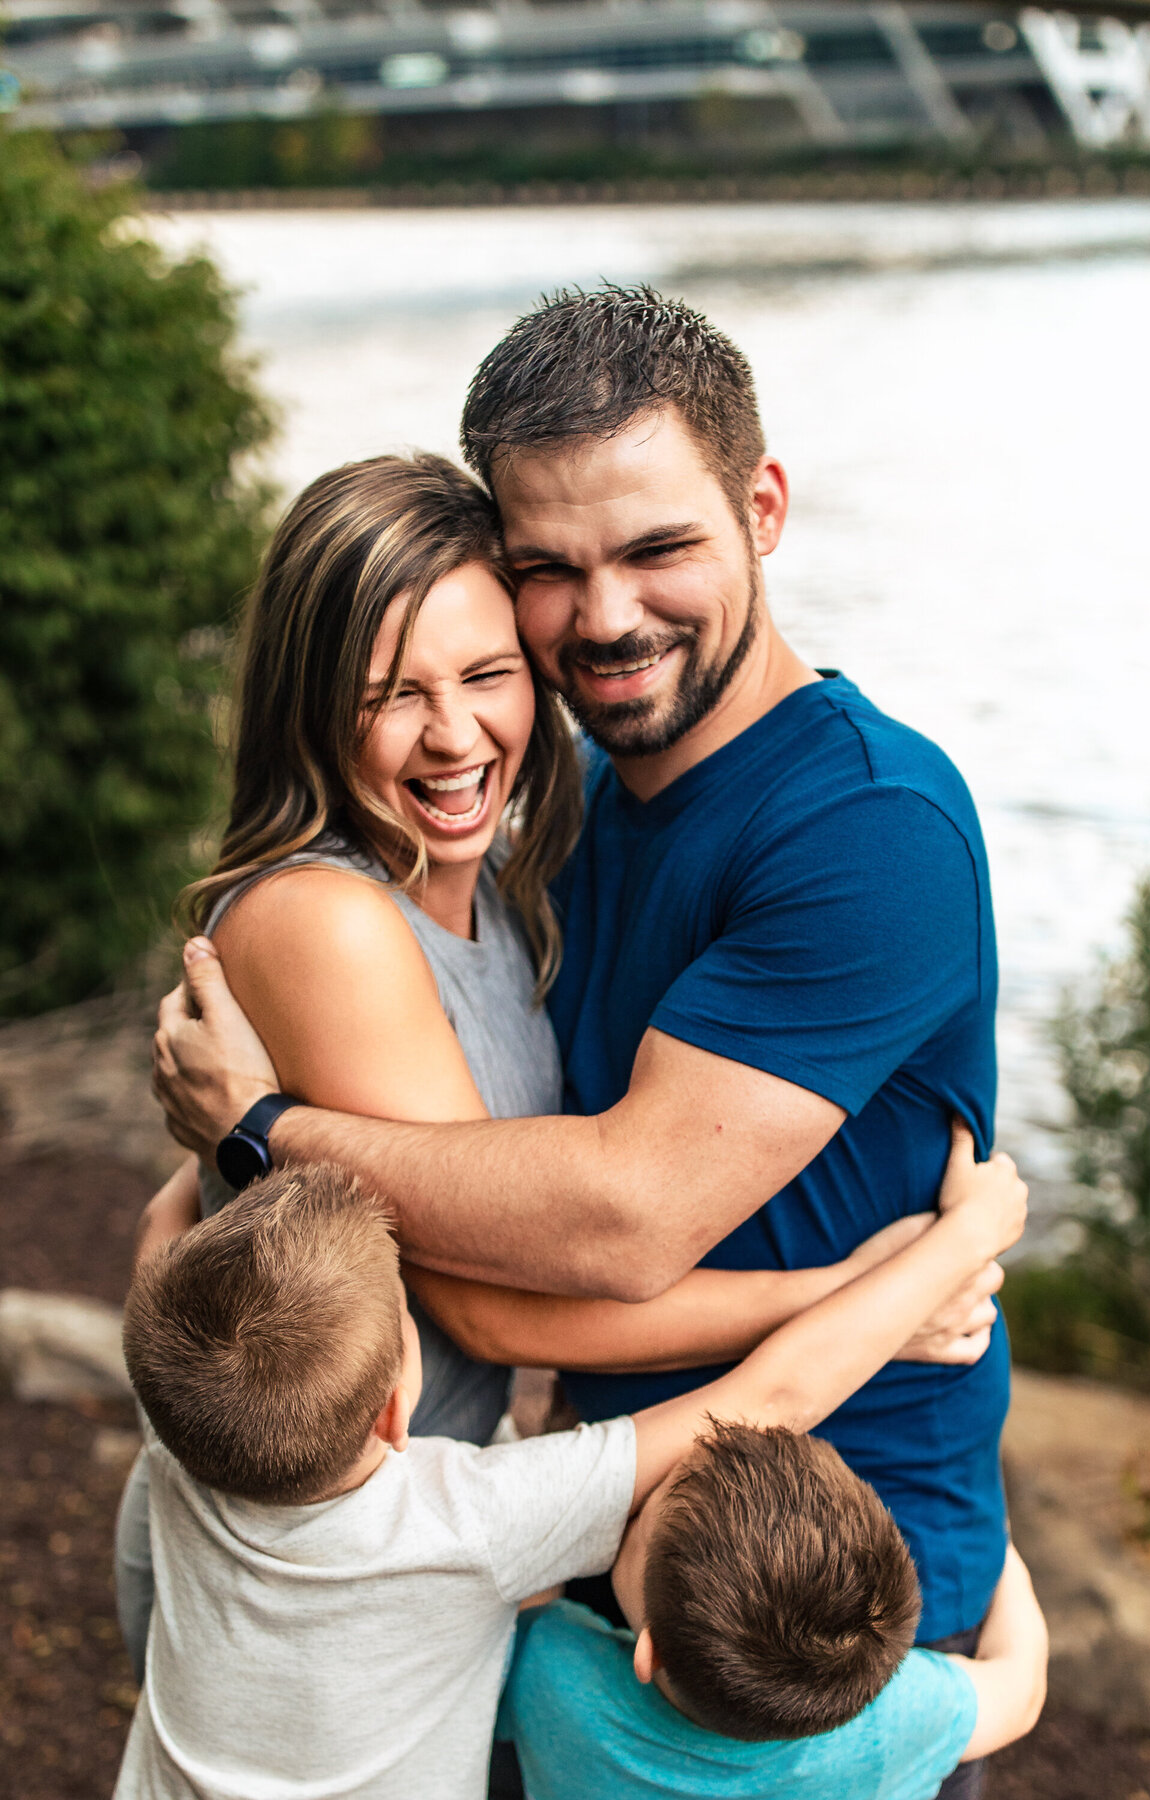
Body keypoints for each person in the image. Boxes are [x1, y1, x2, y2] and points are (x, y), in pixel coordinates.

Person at [155, 287, 1010, 1797]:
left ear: (763, 508)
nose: (604, 617)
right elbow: (507, 1256)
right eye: (549, 569)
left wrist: (263, 1127)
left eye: (657, 548)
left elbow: (614, 1216)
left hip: (811, 1584)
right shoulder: (590, 801)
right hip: (600, 1542)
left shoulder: (867, 826)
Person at [115, 1141, 1026, 1800]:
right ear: (400, 1404)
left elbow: (163, 1231)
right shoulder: (474, 1524)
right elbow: (776, 1394)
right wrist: (963, 1237)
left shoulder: (177, 1436)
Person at [500, 1445, 1047, 1800]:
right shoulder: (891, 1727)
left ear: (652, 1652)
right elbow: (1020, 1693)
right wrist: (1000, 1545)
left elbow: (524, 1583)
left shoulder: (549, 1669)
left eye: (643, 1511)